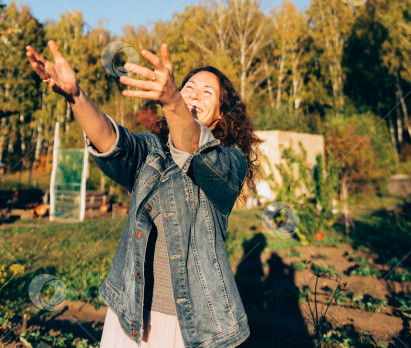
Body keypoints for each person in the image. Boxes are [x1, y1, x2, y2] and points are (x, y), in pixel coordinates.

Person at [26, 40, 263, 348]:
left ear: (221, 115)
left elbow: (195, 149)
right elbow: (110, 140)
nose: (193, 95)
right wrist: (75, 95)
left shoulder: (229, 161)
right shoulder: (152, 150)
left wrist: (173, 101)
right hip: (131, 315)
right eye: (188, 87)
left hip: (190, 328)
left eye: (208, 93)